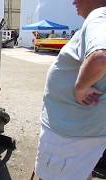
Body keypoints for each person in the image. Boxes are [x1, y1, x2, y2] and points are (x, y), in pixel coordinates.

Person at [34, 0, 106, 180]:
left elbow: (101, 58)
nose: (73, 1)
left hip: (69, 135)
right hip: (79, 132)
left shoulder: (99, 16)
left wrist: (80, 88)